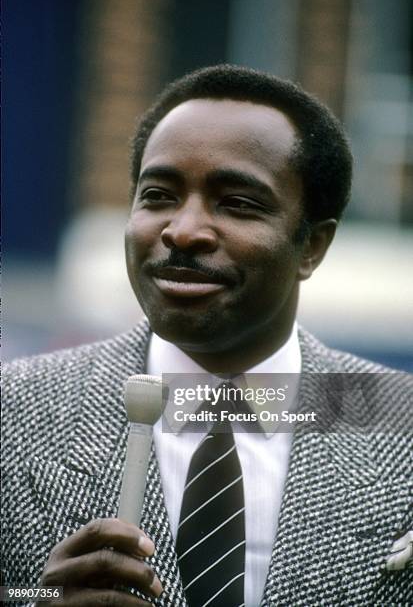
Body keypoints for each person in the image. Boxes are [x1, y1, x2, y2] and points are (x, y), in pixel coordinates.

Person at [2, 65, 411, 606]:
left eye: (237, 203)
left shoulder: (395, 416)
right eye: (158, 195)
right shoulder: (15, 407)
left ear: (312, 246)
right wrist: (34, 600)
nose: (182, 230)